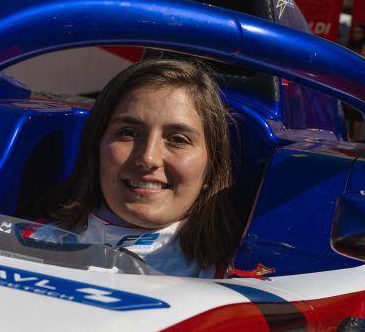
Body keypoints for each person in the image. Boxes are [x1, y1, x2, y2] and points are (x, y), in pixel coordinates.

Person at [41, 58, 241, 277]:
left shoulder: (244, 282)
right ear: (96, 146)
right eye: (128, 133)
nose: (148, 158)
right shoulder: (22, 242)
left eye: (178, 139)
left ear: (212, 164)